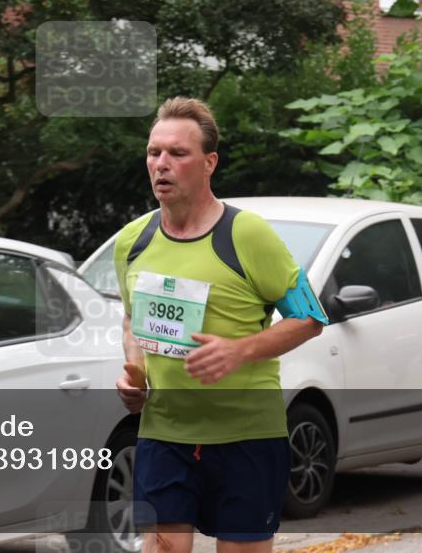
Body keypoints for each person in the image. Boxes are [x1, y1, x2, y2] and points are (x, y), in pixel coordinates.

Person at [113, 97, 328, 553]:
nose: (162, 165)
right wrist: (135, 374)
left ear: (209, 162)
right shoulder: (133, 240)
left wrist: (238, 350)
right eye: (154, 153)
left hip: (245, 437)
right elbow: (132, 318)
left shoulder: (247, 234)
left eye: (178, 153)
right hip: (163, 434)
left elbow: (311, 318)